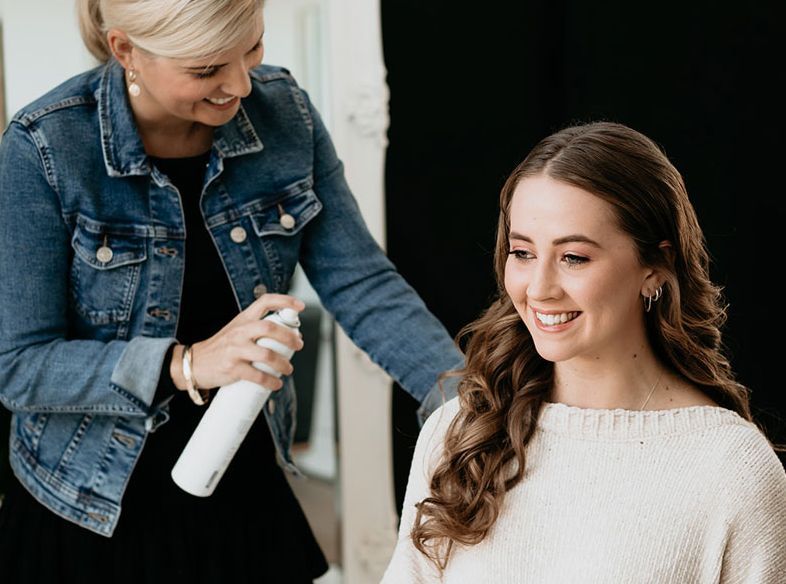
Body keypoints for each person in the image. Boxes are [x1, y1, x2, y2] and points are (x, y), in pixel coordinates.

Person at [0, 1, 463, 582]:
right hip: (89, 502)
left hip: (240, 476)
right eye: (207, 69)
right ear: (125, 51)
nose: (240, 85)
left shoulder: (284, 113)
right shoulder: (44, 147)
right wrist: (188, 364)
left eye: (252, 48)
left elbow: (363, 284)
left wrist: (464, 403)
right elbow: (20, 366)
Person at [382, 121, 786, 583]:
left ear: (655, 267)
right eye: (522, 252)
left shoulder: (732, 469)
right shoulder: (458, 433)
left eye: (574, 257)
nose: (539, 288)